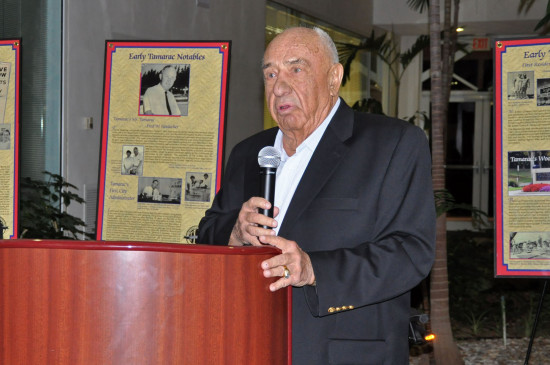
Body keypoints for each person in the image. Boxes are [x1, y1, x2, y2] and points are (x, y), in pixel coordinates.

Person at [197, 26, 435, 364]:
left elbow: (411, 252)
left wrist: (313, 269)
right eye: (270, 73)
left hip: (343, 353)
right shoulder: (249, 153)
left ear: (334, 78)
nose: (279, 87)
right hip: (248, 344)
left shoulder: (392, 144)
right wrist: (234, 231)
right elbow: (208, 230)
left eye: (296, 69)